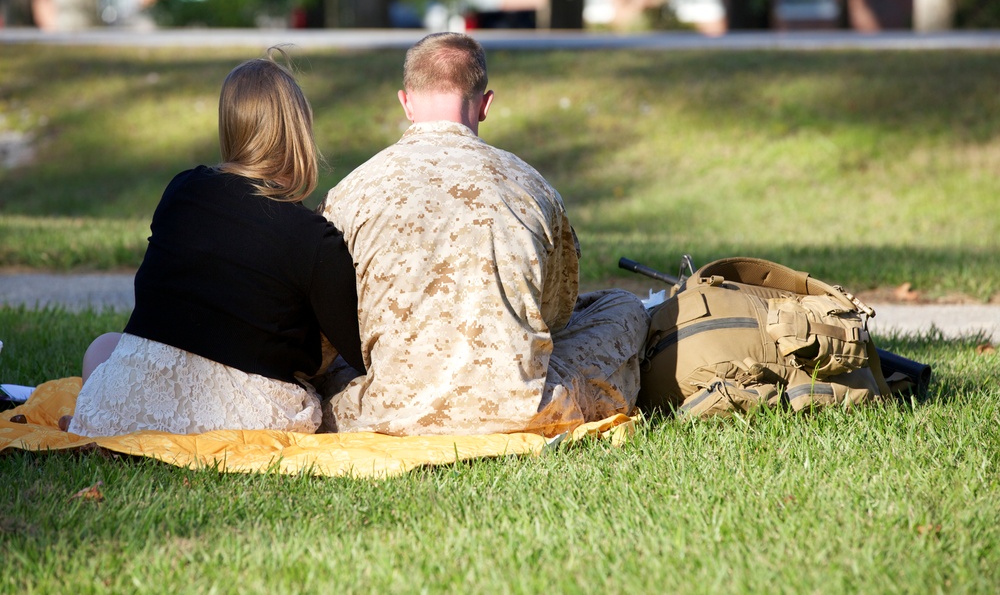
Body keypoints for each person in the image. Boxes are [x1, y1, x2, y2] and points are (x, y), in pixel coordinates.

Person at [318, 32, 649, 437]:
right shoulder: (531, 184)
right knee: (623, 308)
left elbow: (328, 318)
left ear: (405, 102)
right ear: (486, 104)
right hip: (520, 412)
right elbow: (555, 314)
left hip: (387, 414)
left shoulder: (352, 192)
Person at [68, 49, 364, 437]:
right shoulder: (312, 238)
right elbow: (360, 350)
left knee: (103, 346)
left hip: (127, 410)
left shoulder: (182, 191)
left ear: (231, 126)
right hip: (243, 419)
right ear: (299, 133)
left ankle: (104, 412)